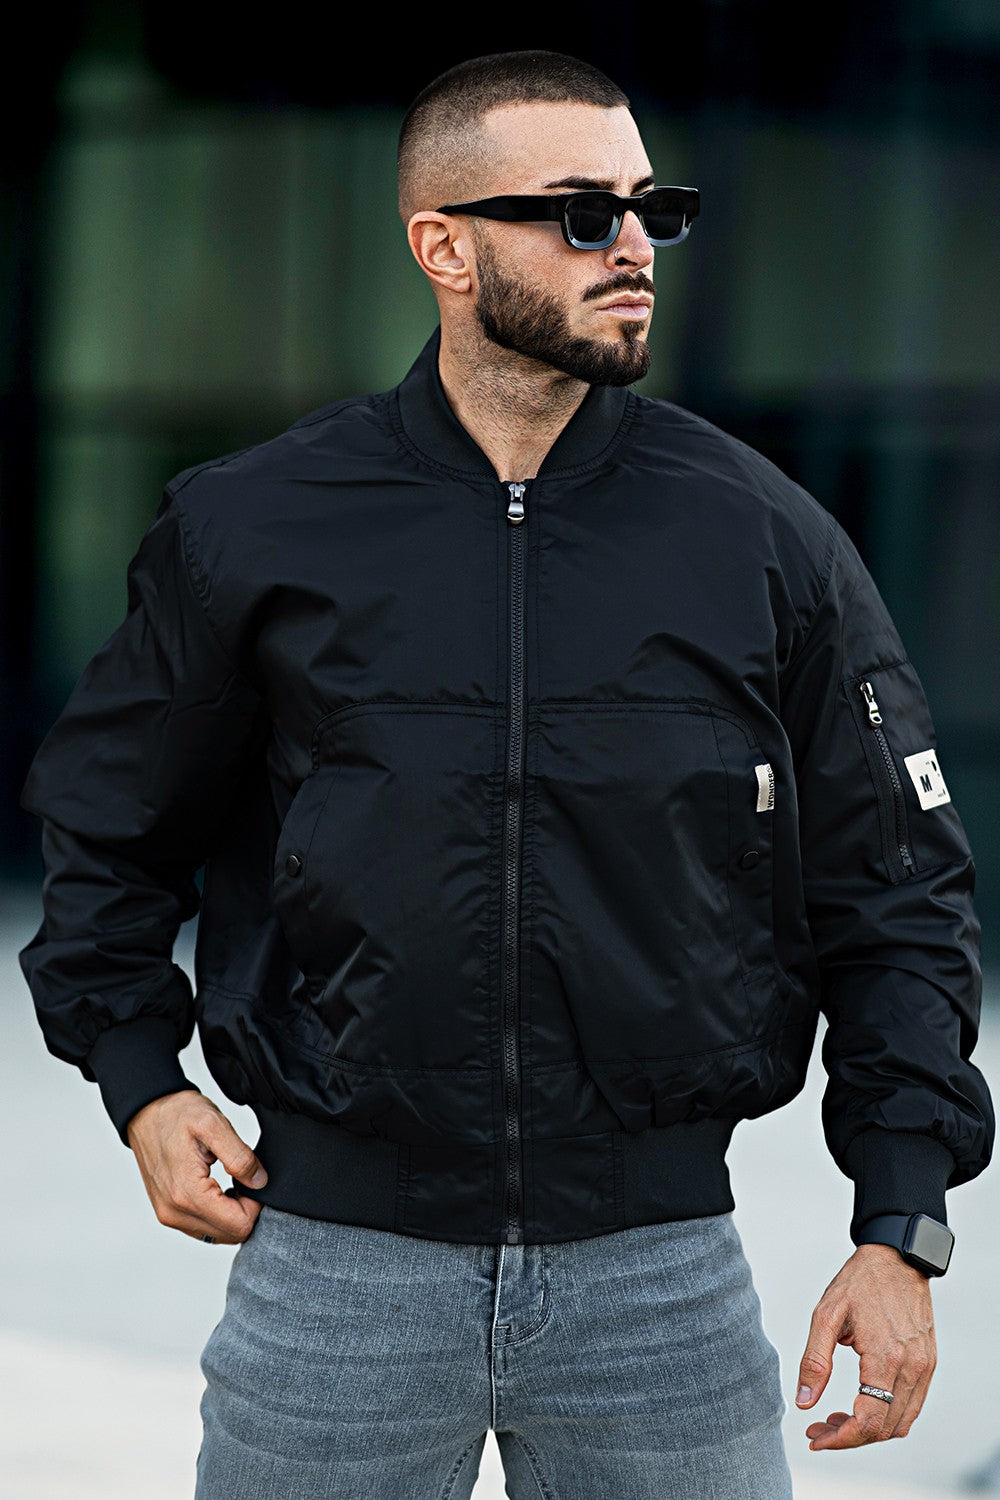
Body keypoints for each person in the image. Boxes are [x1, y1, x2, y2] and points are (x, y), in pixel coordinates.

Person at [18, 48, 994, 1500]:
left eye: (653, 209)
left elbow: (899, 890)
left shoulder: (762, 535)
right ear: (445, 247)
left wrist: (900, 1224)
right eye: (584, 213)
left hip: (661, 1288)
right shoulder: (253, 525)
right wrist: (141, 1081)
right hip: (335, 1278)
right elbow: (107, 828)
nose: (633, 247)